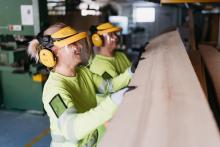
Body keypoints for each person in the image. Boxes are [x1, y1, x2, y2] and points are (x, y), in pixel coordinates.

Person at [27, 23, 133, 147]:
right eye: (72, 43)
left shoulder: (83, 72)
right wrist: (112, 102)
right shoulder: (54, 90)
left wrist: (130, 72)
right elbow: (72, 129)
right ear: (55, 51)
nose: (79, 47)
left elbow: (108, 86)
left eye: (77, 42)